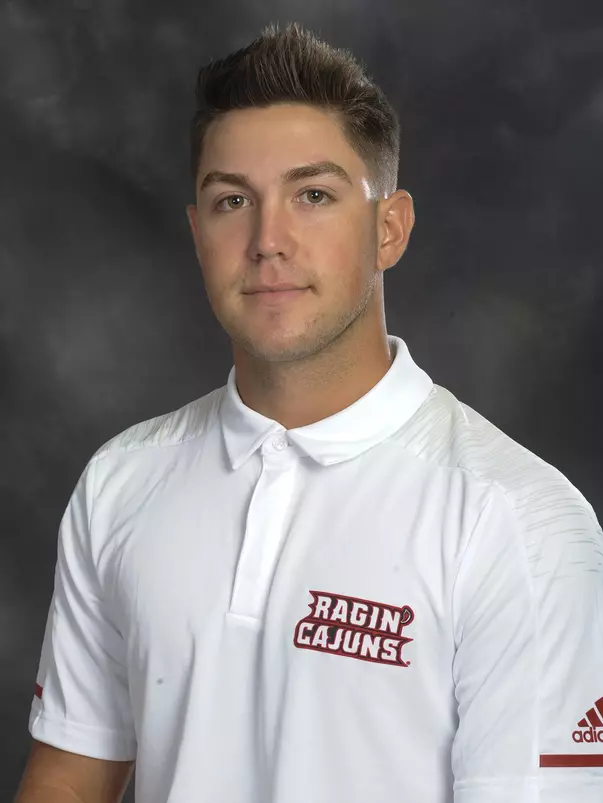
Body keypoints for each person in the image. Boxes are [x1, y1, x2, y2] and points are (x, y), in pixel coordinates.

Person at [14, 20, 603, 803]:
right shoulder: (121, 482)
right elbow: (68, 780)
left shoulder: (517, 524)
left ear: (387, 229)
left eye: (314, 195)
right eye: (232, 200)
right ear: (198, 234)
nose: (267, 239)